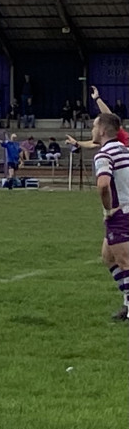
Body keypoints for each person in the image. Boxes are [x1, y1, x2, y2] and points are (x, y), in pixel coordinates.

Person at [89, 112, 129, 321]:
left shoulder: (104, 155)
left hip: (120, 214)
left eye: (94, 127)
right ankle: (127, 304)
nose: (92, 130)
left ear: (103, 130)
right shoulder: (125, 150)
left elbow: (103, 185)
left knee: (124, 262)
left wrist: (107, 209)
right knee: (108, 257)